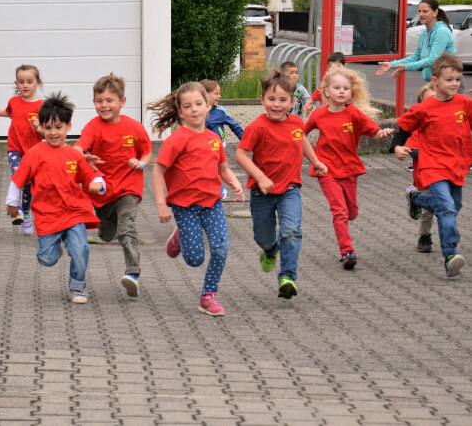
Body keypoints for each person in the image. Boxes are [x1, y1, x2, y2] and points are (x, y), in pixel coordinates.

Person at [148, 82, 244, 316]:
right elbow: (157, 171)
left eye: (199, 104)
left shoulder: (214, 139)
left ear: (208, 106)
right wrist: (162, 204)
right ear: (180, 112)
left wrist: (234, 181)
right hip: (185, 207)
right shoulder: (177, 140)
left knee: (221, 248)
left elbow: (223, 168)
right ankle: (180, 236)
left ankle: (208, 296)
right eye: (188, 106)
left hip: (212, 204)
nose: (194, 110)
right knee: (194, 259)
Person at [235, 70, 328, 299]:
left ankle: (287, 276)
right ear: (263, 100)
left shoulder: (296, 123)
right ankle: (270, 250)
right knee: (263, 237)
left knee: (292, 231)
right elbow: (241, 155)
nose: (277, 105)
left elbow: (301, 139)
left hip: (289, 189)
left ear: (292, 100)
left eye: (282, 100)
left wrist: (315, 161)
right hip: (262, 192)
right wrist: (260, 177)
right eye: (271, 99)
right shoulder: (257, 127)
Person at [6, 91, 105, 304]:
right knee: (46, 259)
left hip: (73, 212)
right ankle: (54, 248)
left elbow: (90, 175)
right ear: (40, 127)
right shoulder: (35, 153)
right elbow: (18, 179)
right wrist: (12, 203)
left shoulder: (74, 154)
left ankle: (77, 287)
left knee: (80, 249)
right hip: (46, 215)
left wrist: (98, 184)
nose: (53, 133)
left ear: (68, 126)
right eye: (48, 128)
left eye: (58, 127)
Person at [391, 54, 472, 278]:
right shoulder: (425, 108)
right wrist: (397, 146)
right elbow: (404, 128)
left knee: (453, 208)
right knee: (446, 208)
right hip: (433, 166)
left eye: (457, 79)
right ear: (435, 81)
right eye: (449, 80)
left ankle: (416, 198)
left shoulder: (465, 103)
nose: (455, 84)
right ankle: (449, 256)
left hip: (457, 165)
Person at [304, 67, 394, 270]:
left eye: (346, 88)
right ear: (326, 92)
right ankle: (346, 251)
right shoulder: (318, 115)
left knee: (351, 212)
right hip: (326, 170)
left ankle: (347, 223)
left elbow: (374, 132)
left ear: (351, 92)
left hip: (349, 170)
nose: (342, 91)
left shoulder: (354, 114)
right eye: (337, 88)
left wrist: (383, 133)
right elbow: (300, 134)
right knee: (339, 211)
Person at [73, 73, 152, 298]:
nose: (104, 106)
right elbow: (80, 147)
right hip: (101, 192)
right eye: (100, 101)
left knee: (127, 228)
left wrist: (141, 163)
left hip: (129, 188)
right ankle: (108, 228)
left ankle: (133, 274)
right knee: (107, 235)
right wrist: (77, 156)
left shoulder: (134, 128)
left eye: (110, 101)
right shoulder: (93, 127)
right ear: (94, 103)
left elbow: (147, 152)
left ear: (122, 102)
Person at [0, 65, 43, 234]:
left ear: (38, 83)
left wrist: (39, 128)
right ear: (16, 83)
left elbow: (49, 130)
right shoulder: (14, 102)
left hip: (33, 153)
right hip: (15, 149)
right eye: (21, 82)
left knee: (28, 186)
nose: (25, 85)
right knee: (17, 174)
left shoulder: (41, 106)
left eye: (29, 81)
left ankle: (26, 213)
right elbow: (8, 112)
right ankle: (17, 209)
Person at [392, 83, 437, 253]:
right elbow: (414, 150)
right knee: (427, 211)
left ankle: (450, 232)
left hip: (445, 173)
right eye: (428, 101)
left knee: (450, 203)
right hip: (424, 175)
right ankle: (424, 236)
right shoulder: (418, 126)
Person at [376, 0, 455, 83]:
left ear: (435, 13)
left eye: (425, 11)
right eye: (419, 11)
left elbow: (433, 59)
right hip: (434, 81)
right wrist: (392, 65)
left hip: (449, 81)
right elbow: (416, 57)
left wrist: (406, 67)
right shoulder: (424, 33)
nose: (421, 14)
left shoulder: (441, 31)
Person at [199, 79, 244, 145]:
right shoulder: (197, 111)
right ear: (205, 95)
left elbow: (234, 126)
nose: (219, 96)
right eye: (216, 94)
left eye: (219, 94)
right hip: (201, 144)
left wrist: (245, 141)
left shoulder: (220, 111)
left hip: (217, 144)